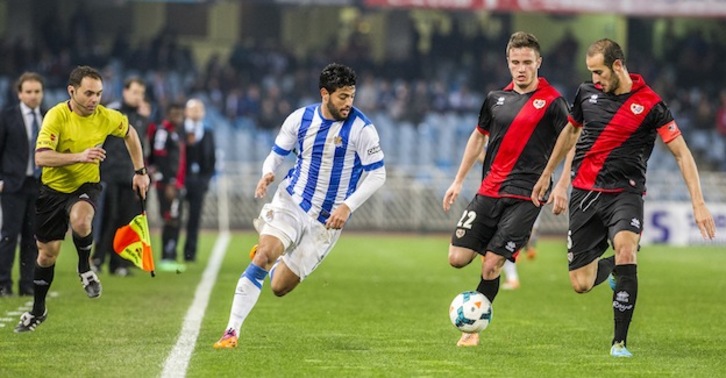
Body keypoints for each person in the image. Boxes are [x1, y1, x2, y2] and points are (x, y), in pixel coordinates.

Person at [531, 38, 717, 357]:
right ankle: (613, 268)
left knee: (627, 249)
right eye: (591, 72)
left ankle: (619, 342)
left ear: (618, 66)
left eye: (599, 72)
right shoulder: (585, 94)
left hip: (626, 194)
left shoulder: (651, 104)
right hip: (586, 194)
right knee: (581, 283)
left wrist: (698, 203)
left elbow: (682, 154)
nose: (595, 80)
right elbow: (571, 133)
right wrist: (550, 175)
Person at [213, 63, 386, 349]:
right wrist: (267, 173)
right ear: (324, 94)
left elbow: (378, 174)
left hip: (326, 221)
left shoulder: (362, 128)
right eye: (342, 96)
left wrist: (347, 206)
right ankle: (232, 331)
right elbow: (276, 154)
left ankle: (276, 257)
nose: (348, 103)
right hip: (293, 201)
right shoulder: (300, 119)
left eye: (351, 96)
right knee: (264, 255)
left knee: (279, 287)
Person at [442, 32, 569, 347]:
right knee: (457, 258)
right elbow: (477, 137)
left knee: (491, 265)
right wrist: (458, 180)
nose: (521, 68)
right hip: (489, 191)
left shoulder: (554, 102)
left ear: (539, 62)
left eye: (527, 62)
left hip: (527, 195)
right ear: (508, 62)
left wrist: (560, 181)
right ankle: (496, 249)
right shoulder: (494, 98)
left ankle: (471, 331)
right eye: (516, 62)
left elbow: (573, 139)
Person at [14, 65, 150, 333]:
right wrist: (80, 156)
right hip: (52, 190)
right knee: (46, 255)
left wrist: (140, 172)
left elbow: (130, 133)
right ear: (72, 91)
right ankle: (38, 310)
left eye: (98, 94)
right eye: (88, 93)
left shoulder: (105, 116)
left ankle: (85, 268)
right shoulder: (56, 116)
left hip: (86, 185)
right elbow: (41, 157)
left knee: (81, 220)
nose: (94, 100)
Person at [92, 77, 149, 276]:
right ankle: (98, 258)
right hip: (109, 175)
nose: (138, 96)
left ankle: (118, 263)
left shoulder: (140, 117)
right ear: (124, 91)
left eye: (141, 93)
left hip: (129, 176)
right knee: (108, 218)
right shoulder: (113, 112)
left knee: (126, 221)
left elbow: (142, 148)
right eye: (134, 92)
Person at [0, 72, 45, 297]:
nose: (33, 96)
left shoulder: (47, 118)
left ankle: (27, 284)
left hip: (38, 185)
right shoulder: (7, 117)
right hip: (12, 184)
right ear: (20, 93)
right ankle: (3, 283)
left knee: (32, 237)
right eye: (28, 91)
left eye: (37, 91)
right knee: (9, 235)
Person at [148, 104, 186, 272]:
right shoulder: (163, 132)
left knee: (175, 218)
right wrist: (169, 181)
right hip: (167, 184)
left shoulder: (175, 133)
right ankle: (166, 257)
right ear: (168, 115)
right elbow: (159, 157)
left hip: (175, 183)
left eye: (180, 114)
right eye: (175, 114)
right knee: (170, 218)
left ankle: (171, 256)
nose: (178, 117)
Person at [181, 99, 216, 263]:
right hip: (181, 179)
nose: (196, 112)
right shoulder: (179, 130)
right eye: (193, 109)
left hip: (199, 181)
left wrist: (205, 180)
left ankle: (190, 253)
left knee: (194, 218)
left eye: (199, 109)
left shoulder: (207, 132)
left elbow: (212, 159)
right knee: (174, 216)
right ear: (186, 112)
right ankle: (169, 252)